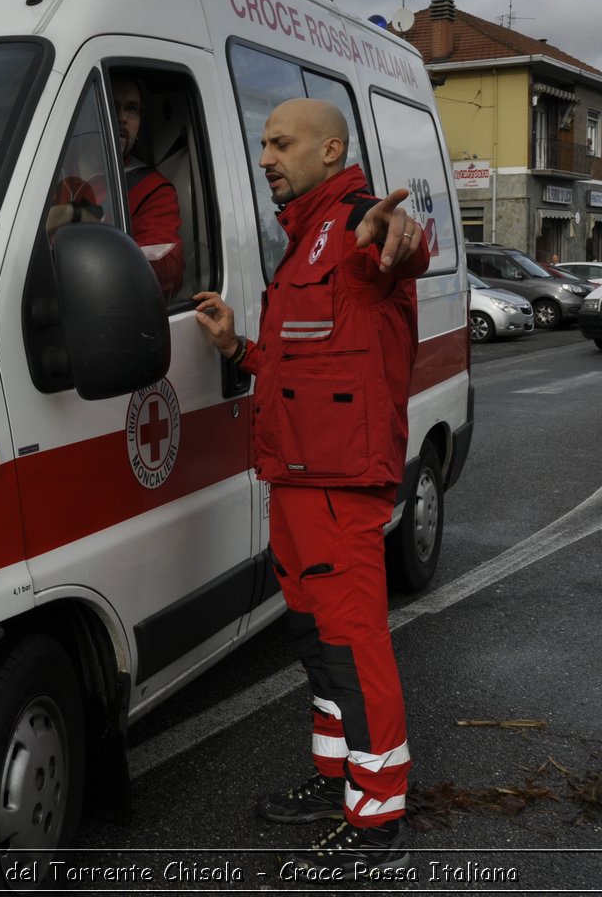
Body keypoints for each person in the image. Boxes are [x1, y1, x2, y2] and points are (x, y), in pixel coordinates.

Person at [192, 97, 427, 878]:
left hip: (339, 484)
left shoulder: (359, 222)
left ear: (330, 150)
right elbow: (305, 364)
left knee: (354, 648)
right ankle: (338, 780)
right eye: (262, 143)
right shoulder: (300, 240)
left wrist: (400, 235)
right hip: (294, 480)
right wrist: (237, 347)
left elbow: (400, 248)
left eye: (280, 143)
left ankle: (377, 814)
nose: (265, 156)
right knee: (317, 645)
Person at [0, 73, 185, 297]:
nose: (121, 117)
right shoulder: (42, 166)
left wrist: (79, 223)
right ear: (86, 114)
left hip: (90, 315)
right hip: (21, 305)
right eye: (109, 106)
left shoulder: (152, 189)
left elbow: (164, 272)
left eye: (131, 109)